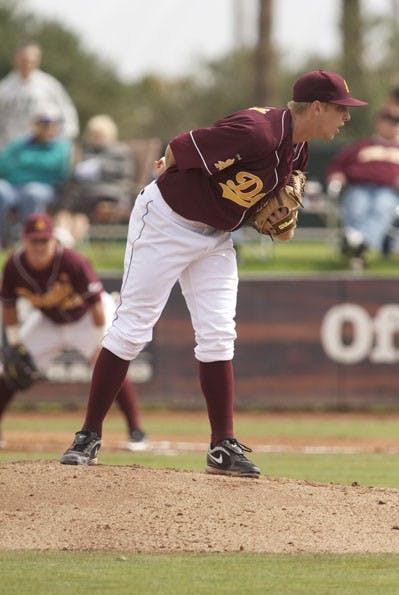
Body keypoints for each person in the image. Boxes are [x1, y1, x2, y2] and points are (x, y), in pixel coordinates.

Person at [60, 69, 367, 476]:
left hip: (216, 236)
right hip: (166, 222)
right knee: (133, 326)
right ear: (316, 107)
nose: (345, 118)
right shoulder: (257, 131)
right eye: (340, 110)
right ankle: (88, 435)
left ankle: (222, 446)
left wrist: (285, 222)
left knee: (219, 332)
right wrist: (168, 163)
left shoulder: (299, 145)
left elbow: (283, 191)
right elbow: (184, 144)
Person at [0, 213, 147, 451]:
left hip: (88, 319)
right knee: (10, 367)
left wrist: (100, 343)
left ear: (54, 241)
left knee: (109, 363)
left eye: (44, 241)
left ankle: (136, 431)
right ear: (23, 241)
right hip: (48, 320)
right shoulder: (14, 266)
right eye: (33, 241)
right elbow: (8, 304)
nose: (39, 246)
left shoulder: (72, 261)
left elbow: (97, 305)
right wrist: (15, 342)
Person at [326, 108, 399, 267]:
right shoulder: (361, 146)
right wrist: (337, 175)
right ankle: (359, 246)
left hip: (389, 191)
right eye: (389, 122)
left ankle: (357, 242)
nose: (393, 126)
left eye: (396, 123)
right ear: (379, 124)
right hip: (358, 187)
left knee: (381, 208)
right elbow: (337, 165)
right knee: (357, 207)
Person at [55, 114, 135, 244]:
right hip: (85, 193)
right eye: (94, 135)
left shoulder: (120, 151)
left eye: (100, 135)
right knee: (72, 206)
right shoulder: (85, 151)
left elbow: (125, 173)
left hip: (110, 192)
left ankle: (66, 242)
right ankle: (63, 237)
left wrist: (100, 166)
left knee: (78, 203)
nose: (97, 138)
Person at [0, 104, 72, 247]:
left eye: (50, 123)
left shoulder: (62, 147)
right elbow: (3, 165)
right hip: (14, 187)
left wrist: (23, 166)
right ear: (34, 124)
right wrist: (32, 168)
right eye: (42, 122)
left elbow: (57, 170)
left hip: (44, 189)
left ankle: (28, 242)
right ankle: (2, 240)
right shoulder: (19, 144)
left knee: (32, 192)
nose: (46, 127)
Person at [0, 43, 79, 152]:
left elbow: (66, 111)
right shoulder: (4, 88)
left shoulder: (49, 85)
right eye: (24, 60)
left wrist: (66, 138)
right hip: (10, 148)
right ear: (15, 60)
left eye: (31, 61)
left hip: (42, 149)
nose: (27, 64)